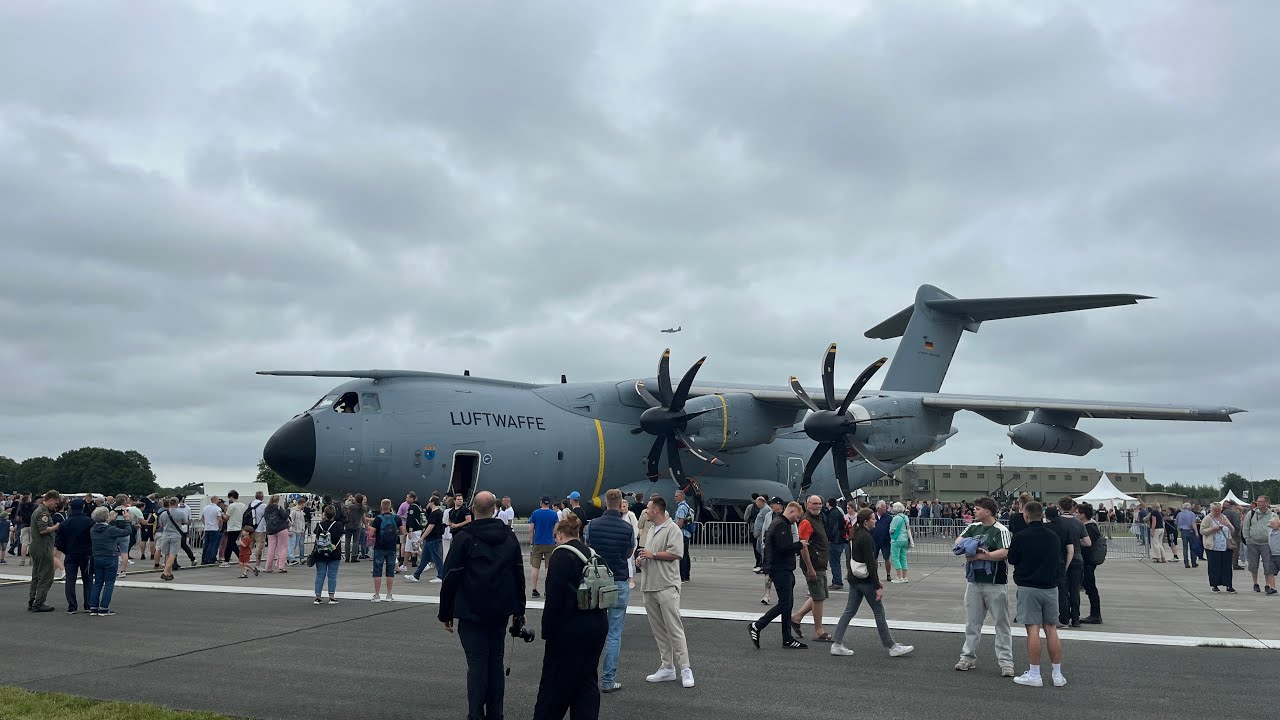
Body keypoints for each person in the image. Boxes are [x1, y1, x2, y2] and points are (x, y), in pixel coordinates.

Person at [438, 491, 526, 720]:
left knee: (477, 664)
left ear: (473, 510)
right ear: (495, 509)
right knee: (495, 661)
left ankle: (475, 714)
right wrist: (520, 610)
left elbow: (450, 577)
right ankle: (496, 713)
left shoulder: (464, 538)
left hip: (471, 610)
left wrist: (446, 612)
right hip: (500, 610)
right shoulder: (509, 537)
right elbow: (518, 574)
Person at [533, 513, 610, 719]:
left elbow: (554, 599)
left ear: (559, 535)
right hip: (597, 624)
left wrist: (547, 631)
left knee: (554, 685)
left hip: (570, 627)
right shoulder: (592, 553)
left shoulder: (560, 556)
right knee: (586, 681)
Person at [830, 508, 914, 658]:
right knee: (879, 612)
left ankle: (836, 643)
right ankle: (891, 646)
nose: (875, 520)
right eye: (873, 518)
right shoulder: (866, 537)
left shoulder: (854, 534)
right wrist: (877, 585)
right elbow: (870, 563)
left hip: (855, 578)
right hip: (866, 580)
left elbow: (852, 558)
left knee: (849, 611)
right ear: (866, 521)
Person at [953, 497, 1014, 677]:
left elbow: (1004, 552)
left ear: (988, 511)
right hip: (974, 583)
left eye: (978, 509)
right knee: (972, 623)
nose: (974, 511)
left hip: (995, 584)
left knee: (1001, 624)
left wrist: (980, 556)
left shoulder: (1000, 530)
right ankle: (967, 657)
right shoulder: (973, 527)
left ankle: (1006, 662)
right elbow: (958, 542)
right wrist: (971, 546)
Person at [1008, 501, 1067, 687]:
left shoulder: (1021, 536)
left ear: (1026, 515)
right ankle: (1057, 674)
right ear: (1041, 514)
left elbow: (1012, 559)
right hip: (1050, 587)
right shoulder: (1054, 536)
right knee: (1051, 628)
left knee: (1033, 629)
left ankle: (1035, 673)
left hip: (1028, 586)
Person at [638, 496, 694, 687]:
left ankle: (685, 668)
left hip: (667, 585)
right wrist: (643, 559)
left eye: (648, 508)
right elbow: (650, 553)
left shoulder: (673, 529)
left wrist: (652, 554)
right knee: (659, 630)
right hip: (649, 585)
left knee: (674, 628)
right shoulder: (652, 529)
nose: (646, 511)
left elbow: (677, 553)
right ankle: (667, 667)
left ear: (657, 510)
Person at [585, 488, 636, 694]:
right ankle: (608, 680)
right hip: (619, 580)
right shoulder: (626, 528)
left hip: (597, 580)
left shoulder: (593, 525)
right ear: (620, 504)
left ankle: (585, 677)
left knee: (591, 630)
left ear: (606, 503)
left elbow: (588, 546)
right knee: (614, 633)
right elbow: (629, 552)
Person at [748, 500, 805, 649]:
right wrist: (799, 545)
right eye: (797, 517)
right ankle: (757, 625)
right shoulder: (781, 525)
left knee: (788, 604)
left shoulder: (780, 523)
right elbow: (783, 548)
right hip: (780, 569)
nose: (797, 520)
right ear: (792, 512)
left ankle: (787, 638)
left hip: (782, 569)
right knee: (785, 604)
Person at [792, 495, 832, 642]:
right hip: (814, 565)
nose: (818, 506)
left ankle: (796, 617)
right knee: (819, 597)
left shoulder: (817, 519)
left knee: (819, 595)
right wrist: (810, 568)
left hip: (819, 563)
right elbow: (803, 546)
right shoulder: (807, 521)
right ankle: (818, 631)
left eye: (820, 503)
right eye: (814, 503)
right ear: (807, 505)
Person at [88, 506, 131, 616]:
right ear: (106, 517)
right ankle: (104, 607)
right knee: (109, 583)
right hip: (110, 557)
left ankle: (93, 607)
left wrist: (110, 520)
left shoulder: (93, 529)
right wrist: (127, 520)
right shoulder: (110, 530)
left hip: (97, 557)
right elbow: (127, 531)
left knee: (97, 583)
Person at [1053, 497, 1088, 628]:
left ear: (1060, 506)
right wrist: (1076, 542)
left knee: (1062, 589)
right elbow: (1088, 542)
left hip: (1061, 558)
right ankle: (1076, 618)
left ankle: (1064, 617)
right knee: (1075, 590)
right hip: (1077, 558)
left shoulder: (1057, 522)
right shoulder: (1078, 523)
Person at [25, 490, 61, 612]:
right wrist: (55, 527)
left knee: (36, 574)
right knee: (46, 575)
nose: (55, 505)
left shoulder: (39, 510)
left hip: (37, 546)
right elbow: (43, 529)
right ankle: (39, 602)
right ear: (50, 500)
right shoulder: (42, 513)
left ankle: (32, 599)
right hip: (43, 546)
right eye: (55, 503)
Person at [56, 498, 94, 614]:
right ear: (83, 507)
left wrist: (66, 550)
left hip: (71, 553)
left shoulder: (65, 523)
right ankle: (88, 604)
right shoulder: (89, 521)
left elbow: (58, 542)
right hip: (86, 553)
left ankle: (72, 606)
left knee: (70, 580)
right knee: (87, 580)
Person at [369, 498, 404, 602]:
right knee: (390, 571)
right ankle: (389, 594)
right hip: (392, 548)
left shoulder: (378, 519)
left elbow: (371, 534)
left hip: (379, 547)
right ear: (390, 507)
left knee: (377, 571)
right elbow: (402, 531)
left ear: (381, 507)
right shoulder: (397, 518)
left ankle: (377, 594)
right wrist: (394, 534)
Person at [1241, 496, 1277, 594]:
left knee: (1268, 565)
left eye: (1261, 501)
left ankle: (1267, 585)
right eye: (1258, 501)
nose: (1259, 503)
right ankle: (1255, 583)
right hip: (1252, 543)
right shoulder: (1251, 513)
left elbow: (1276, 528)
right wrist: (1247, 539)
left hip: (1267, 543)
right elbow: (1245, 527)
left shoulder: (1273, 515)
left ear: (1267, 503)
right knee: (1253, 564)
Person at [1076, 503, 1104, 625]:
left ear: (1083, 515)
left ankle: (1095, 614)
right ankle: (1095, 614)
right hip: (1088, 562)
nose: (1075, 514)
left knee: (1090, 587)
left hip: (1088, 562)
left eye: (1077, 512)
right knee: (1089, 587)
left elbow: (1088, 545)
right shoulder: (1090, 526)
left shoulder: (1089, 528)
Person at [407, 496, 446, 583]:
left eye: (429, 501)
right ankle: (416, 575)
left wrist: (422, 537)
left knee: (436, 557)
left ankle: (441, 575)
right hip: (431, 539)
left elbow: (430, 527)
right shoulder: (438, 512)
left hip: (433, 538)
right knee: (424, 558)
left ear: (432, 502)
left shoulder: (435, 513)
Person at [311, 504, 344, 604]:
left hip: (320, 553)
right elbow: (341, 535)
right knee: (332, 575)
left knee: (320, 574)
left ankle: (318, 596)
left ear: (324, 514)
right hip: (334, 552)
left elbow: (316, 535)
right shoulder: (338, 525)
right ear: (334, 514)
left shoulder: (320, 525)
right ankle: (331, 596)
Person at [1201, 503, 1236, 592]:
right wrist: (1213, 529)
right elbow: (1202, 531)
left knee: (1227, 566)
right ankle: (1215, 585)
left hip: (1226, 546)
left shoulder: (1224, 517)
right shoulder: (1207, 518)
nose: (1217, 512)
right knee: (1214, 566)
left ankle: (1228, 585)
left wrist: (1227, 525)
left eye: (1219, 510)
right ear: (1211, 510)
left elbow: (1233, 530)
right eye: (1215, 510)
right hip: (1213, 546)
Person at [528, 495, 559, 598]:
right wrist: (553, 535)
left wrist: (531, 541)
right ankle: (547, 590)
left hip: (538, 542)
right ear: (549, 503)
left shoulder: (535, 513)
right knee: (548, 568)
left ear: (541, 502)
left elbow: (531, 529)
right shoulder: (553, 514)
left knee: (535, 567)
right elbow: (557, 526)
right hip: (549, 543)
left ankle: (534, 590)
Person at [156, 498, 187, 581]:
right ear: (177, 503)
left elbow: (161, 525)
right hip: (176, 535)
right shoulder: (180, 513)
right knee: (173, 554)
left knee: (166, 554)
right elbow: (185, 522)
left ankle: (169, 573)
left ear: (169, 503)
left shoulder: (163, 513)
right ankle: (165, 572)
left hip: (165, 535)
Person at [825, 498, 847, 591]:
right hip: (840, 540)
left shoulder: (833, 513)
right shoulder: (838, 511)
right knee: (836, 562)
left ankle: (837, 582)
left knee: (834, 562)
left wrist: (829, 538)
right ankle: (837, 581)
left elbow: (832, 528)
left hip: (835, 541)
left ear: (828, 503)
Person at [888, 501, 912, 583]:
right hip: (905, 539)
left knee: (895, 557)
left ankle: (899, 577)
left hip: (897, 539)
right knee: (903, 558)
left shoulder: (896, 518)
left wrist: (889, 531)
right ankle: (905, 577)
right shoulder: (905, 517)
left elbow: (892, 530)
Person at [673, 490, 693, 582]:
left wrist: (675, 531)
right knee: (686, 554)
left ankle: (682, 576)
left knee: (682, 555)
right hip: (687, 533)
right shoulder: (687, 506)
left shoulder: (681, 508)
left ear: (681, 496)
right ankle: (687, 575)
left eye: (676, 496)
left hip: (682, 533)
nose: (675, 498)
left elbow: (680, 521)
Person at [223, 490, 246, 566]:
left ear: (231, 497)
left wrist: (222, 514)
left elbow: (227, 517)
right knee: (229, 544)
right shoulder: (243, 505)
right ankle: (226, 560)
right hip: (239, 526)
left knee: (231, 544)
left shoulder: (231, 506)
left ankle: (241, 558)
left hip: (232, 527)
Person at [200, 497, 224, 567]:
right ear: (216, 500)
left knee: (206, 544)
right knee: (213, 545)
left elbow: (202, 518)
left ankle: (204, 559)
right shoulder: (217, 509)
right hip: (215, 528)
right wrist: (220, 527)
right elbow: (220, 519)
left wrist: (206, 524)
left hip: (207, 528)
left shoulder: (205, 508)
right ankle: (210, 559)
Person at [1176, 503, 1201, 569]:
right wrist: (1196, 532)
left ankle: (1186, 563)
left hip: (1183, 531)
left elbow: (1177, 523)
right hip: (1190, 531)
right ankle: (1193, 562)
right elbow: (1193, 523)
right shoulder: (1192, 514)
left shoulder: (1179, 514)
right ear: (1189, 507)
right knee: (1193, 547)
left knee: (1185, 548)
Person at [872, 500, 892, 579]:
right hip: (874, 540)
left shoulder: (889, 517)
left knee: (887, 558)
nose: (884, 509)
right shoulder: (873, 516)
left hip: (885, 541)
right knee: (874, 558)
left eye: (885, 507)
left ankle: (888, 574)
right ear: (878, 508)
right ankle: (875, 575)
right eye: (882, 507)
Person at [288, 499, 307, 566]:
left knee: (294, 545)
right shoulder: (294, 511)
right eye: (304, 504)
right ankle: (291, 558)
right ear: (302, 504)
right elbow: (290, 521)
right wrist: (290, 530)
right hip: (294, 530)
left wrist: (302, 529)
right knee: (292, 544)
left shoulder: (301, 511)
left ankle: (291, 557)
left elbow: (302, 522)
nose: (305, 505)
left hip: (299, 530)